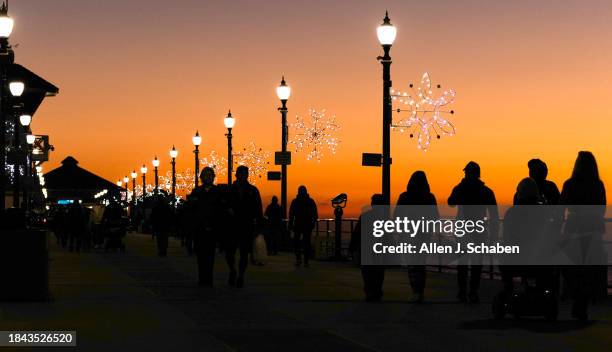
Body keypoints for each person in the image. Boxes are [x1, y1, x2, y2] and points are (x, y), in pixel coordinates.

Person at [560, 151, 606, 320]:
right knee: (588, 270)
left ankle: (573, 297)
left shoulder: (569, 184)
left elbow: (561, 208)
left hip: (573, 230)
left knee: (572, 268)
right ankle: (583, 304)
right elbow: (601, 209)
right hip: (593, 231)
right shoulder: (598, 184)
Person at [448, 161, 499, 303]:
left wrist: (460, 187)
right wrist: (494, 235)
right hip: (479, 230)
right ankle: (473, 291)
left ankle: (462, 291)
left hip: (463, 230)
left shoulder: (461, 188)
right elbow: (494, 214)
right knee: (477, 263)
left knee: (463, 262)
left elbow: (451, 202)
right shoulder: (486, 191)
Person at [395, 171, 439, 303]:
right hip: (424, 235)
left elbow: (398, 216)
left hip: (408, 234)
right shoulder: (430, 197)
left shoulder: (404, 197)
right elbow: (435, 218)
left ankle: (415, 290)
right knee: (420, 263)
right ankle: (420, 291)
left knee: (412, 264)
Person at [225, 165, 263, 288]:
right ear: (236, 175)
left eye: (245, 174)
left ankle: (240, 275)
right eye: (240, 174)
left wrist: (258, 227)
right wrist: (228, 210)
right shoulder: (230, 190)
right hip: (231, 225)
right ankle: (232, 270)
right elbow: (223, 206)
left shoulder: (253, 190)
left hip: (246, 225)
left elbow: (258, 209)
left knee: (244, 253)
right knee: (229, 253)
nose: (242, 176)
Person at [188, 167, 222, 287]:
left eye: (210, 175)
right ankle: (203, 277)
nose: (208, 177)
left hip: (213, 228)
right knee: (201, 255)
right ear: (202, 178)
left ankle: (208, 278)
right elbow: (191, 211)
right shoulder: (196, 191)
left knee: (210, 255)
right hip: (200, 229)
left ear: (213, 177)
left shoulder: (218, 192)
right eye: (206, 175)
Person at [352, 194, 386, 302]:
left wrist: (352, 246)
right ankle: (377, 291)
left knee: (367, 272)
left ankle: (370, 292)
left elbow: (357, 232)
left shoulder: (365, 216)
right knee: (379, 272)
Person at [289, 186, 318, 267]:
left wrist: (290, 224)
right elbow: (315, 214)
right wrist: (313, 224)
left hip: (299, 224)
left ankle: (299, 259)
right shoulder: (310, 201)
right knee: (306, 243)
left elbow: (291, 214)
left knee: (297, 242)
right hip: (306, 225)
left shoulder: (295, 201)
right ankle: (305, 261)